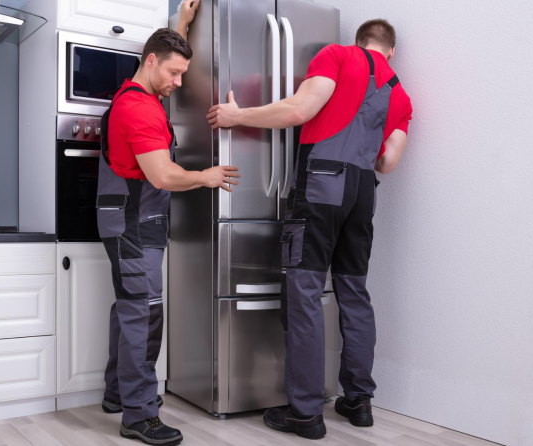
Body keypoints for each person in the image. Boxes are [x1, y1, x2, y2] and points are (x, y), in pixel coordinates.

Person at [206, 19, 413, 439]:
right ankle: (358, 401)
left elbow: (299, 111)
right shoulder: (402, 95)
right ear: (390, 52)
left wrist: (237, 114)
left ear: (361, 42)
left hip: (321, 184)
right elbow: (387, 162)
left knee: (303, 293)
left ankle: (304, 412)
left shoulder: (338, 55)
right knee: (353, 292)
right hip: (362, 194)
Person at [97, 2, 239, 445]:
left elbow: (166, 57)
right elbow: (162, 175)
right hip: (135, 225)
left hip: (133, 220)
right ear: (151, 61)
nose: (178, 84)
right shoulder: (139, 110)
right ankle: (140, 416)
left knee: (130, 309)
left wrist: (181, 24)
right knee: (145, 315)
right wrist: (206, 177)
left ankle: (118, 393)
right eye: (174, 74)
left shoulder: (140, 93)